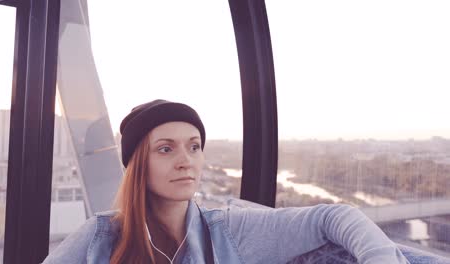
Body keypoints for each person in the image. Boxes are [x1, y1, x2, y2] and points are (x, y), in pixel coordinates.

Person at [42, 99, 409, 264]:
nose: (187, 161)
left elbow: (334, 218)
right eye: (166, 149)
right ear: (138, 165)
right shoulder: (98, 238)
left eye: (195, 147)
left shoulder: (231, 231)